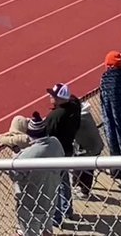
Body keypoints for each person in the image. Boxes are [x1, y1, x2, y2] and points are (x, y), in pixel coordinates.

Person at [13, 113, 65, 236]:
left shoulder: (27, 156)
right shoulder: (55, 143)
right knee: (47, 229)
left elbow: (15, 175)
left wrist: (16, 152)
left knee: (31, 232)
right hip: (51, 197)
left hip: (31, 204)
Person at [43, 83, 80, 225]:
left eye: (52, 96)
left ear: (59, 99)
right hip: (68, 149)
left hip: (56, 153)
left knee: (55, 186)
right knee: (65, 183)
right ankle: (68, 209)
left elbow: (46, 133)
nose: (49, 97)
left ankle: (56, 217)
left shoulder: (55, 115)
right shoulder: (74, 108)